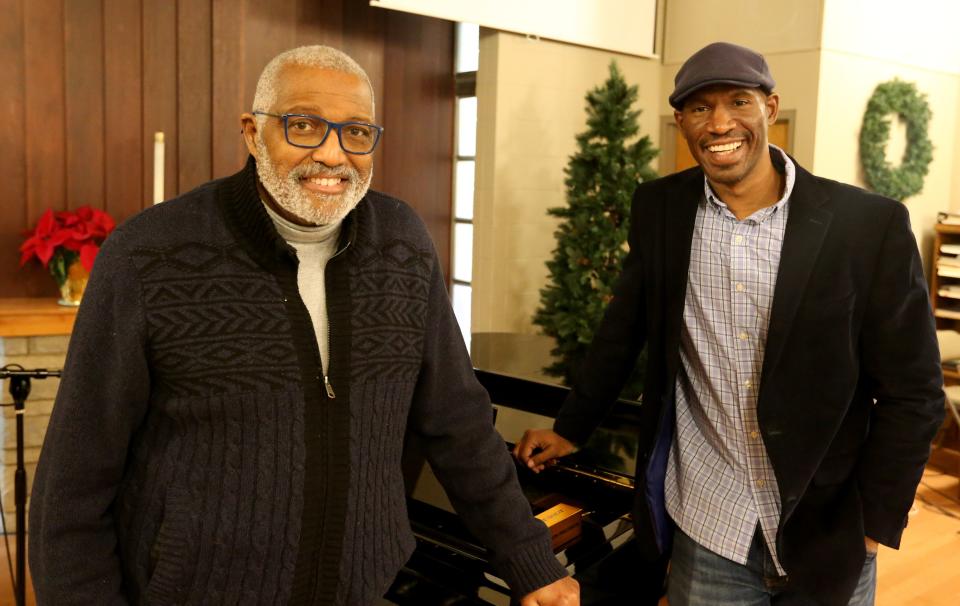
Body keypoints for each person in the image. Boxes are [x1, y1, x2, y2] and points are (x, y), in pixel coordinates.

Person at [29, 45, 578, 606]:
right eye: (305, 125)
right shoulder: (150, 254)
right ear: (252, 131)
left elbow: (458, 422)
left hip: (362, 590)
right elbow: (74, 482)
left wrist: (529, 559)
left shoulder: (402, 244)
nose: (333, 154)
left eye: (357, 132)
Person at [514, 41, 944, 606]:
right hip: (708, 523)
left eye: (738, 101)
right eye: (699, 108)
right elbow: (624, 329)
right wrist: (571, 425)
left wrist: (873, 524)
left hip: (828, 528)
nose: (720, 123)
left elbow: (914, 394)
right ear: (681, 122)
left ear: (769, 107)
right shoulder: (659, 209)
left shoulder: (868, 226)